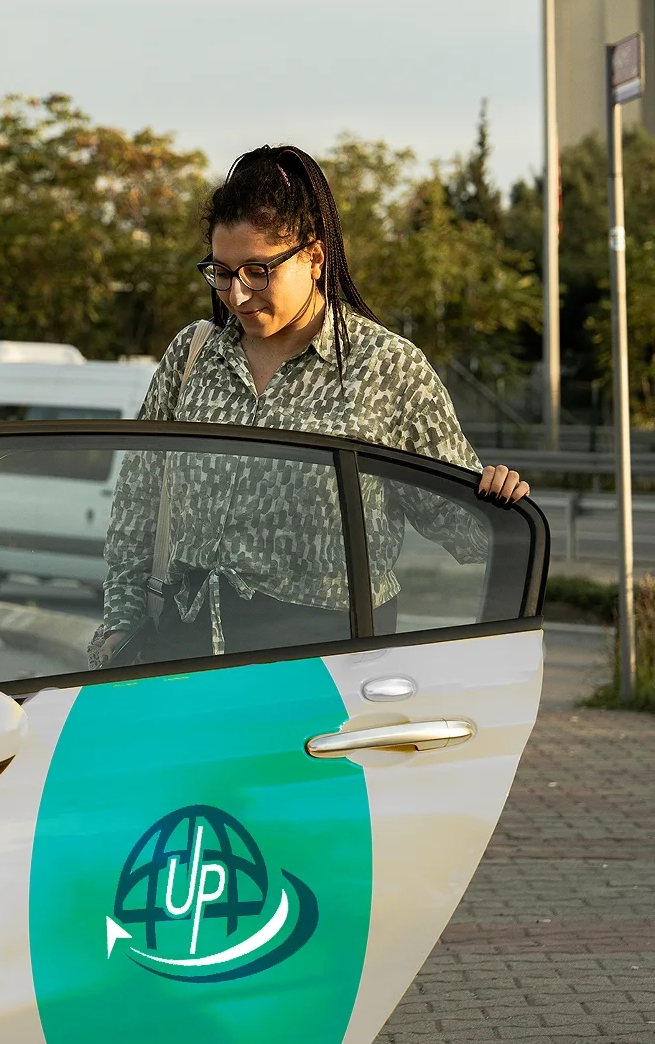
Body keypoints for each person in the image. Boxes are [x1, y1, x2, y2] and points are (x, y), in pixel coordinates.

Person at [91, 144, 528, 667]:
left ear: (314, 257)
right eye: (222, 272)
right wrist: (119, 625)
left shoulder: (388, 368)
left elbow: (463, 529)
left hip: (327, 664)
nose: (236, 294)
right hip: (187, 654)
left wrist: (496, 497)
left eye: (257, 271)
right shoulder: (192, 356)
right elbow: (136, 503)